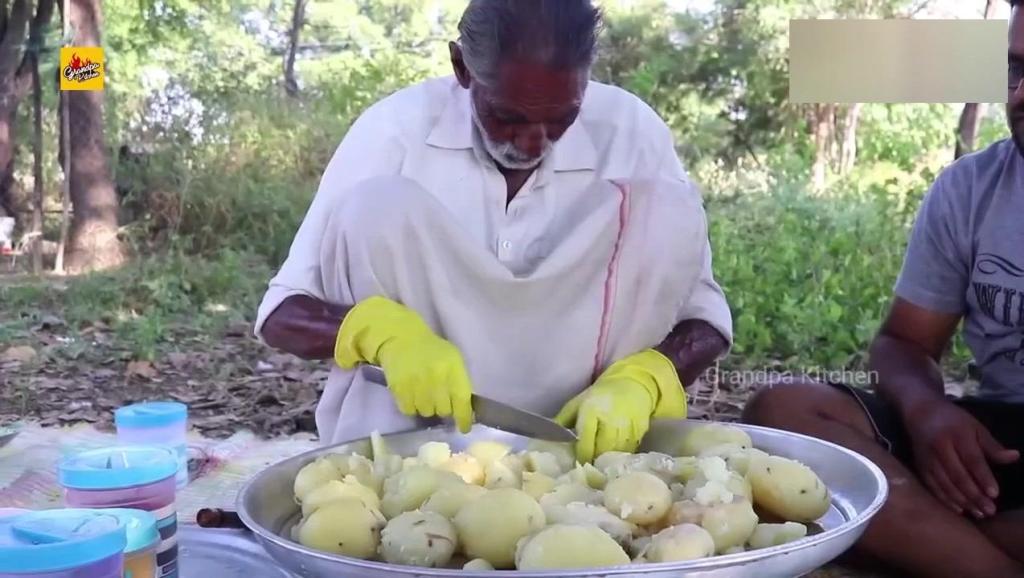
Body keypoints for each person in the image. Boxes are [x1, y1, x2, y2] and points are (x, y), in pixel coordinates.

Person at [256, 0, 732, 463]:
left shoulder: (631, 131)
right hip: (409, 448)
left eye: (561, 118)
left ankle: (600, 448)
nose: (533, 141)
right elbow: (282, 313)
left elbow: (705, 320)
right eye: (508, 117)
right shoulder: (395, 130)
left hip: (584, 445)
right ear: (462, 67)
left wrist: (649, 377)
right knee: (378, 205)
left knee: (664, 208)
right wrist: (377, 335)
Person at [743, 4, 1024, 577]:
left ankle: (908, 543)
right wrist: (927, 412)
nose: (1020, 94)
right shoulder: (970, 189)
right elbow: (904, 342)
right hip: (1003, 442)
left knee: (816, 512)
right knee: (783, 416)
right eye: (1014, 70)